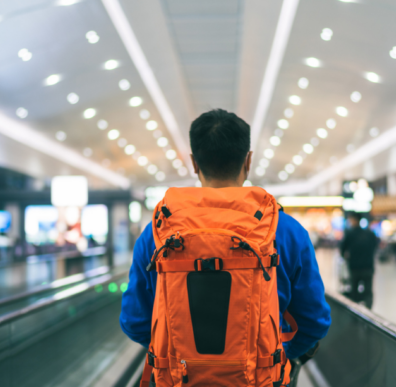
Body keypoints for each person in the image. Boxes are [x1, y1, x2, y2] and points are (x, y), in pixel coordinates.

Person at [120, 109, 331, 384]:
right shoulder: (286, 230)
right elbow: (314, 320)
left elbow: (134, 321)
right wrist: (277, 357)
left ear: (194, 163)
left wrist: (179, 356)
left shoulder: (158, 233)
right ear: (248, 160)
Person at [339, 213, 380, 308]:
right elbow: (375, 247)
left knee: (354, 290)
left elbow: (342, 250)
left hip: (354, 267)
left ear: (355, 220)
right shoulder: (369, 234)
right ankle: (369, 311)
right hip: (368, 267)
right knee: (368, 291)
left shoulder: (350, 234)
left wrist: (347, 257)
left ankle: (355, 312)